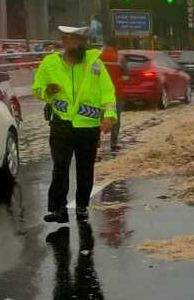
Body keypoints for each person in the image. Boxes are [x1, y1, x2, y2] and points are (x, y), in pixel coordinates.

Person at [33, 26, 117, 223]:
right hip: (61, 124)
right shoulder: (50, 63)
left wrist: (109, 116)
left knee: (85, 169)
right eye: (76, 40)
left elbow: (108, 91)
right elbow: (37, 89)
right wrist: (47, 91)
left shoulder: (94, 65)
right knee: (60, 167)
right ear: (66, 41)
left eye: (82, 41)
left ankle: (81, 207)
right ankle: (58, 209)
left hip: (87, 126)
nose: (81, 44)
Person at [100, 43, 125, 153]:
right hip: (117, 94)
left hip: (100, 94)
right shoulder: (120, 58)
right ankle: (114, 143)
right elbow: (126, 75)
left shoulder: (98, 57)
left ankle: (96, 144)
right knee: (115, 119)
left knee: (97, 119)